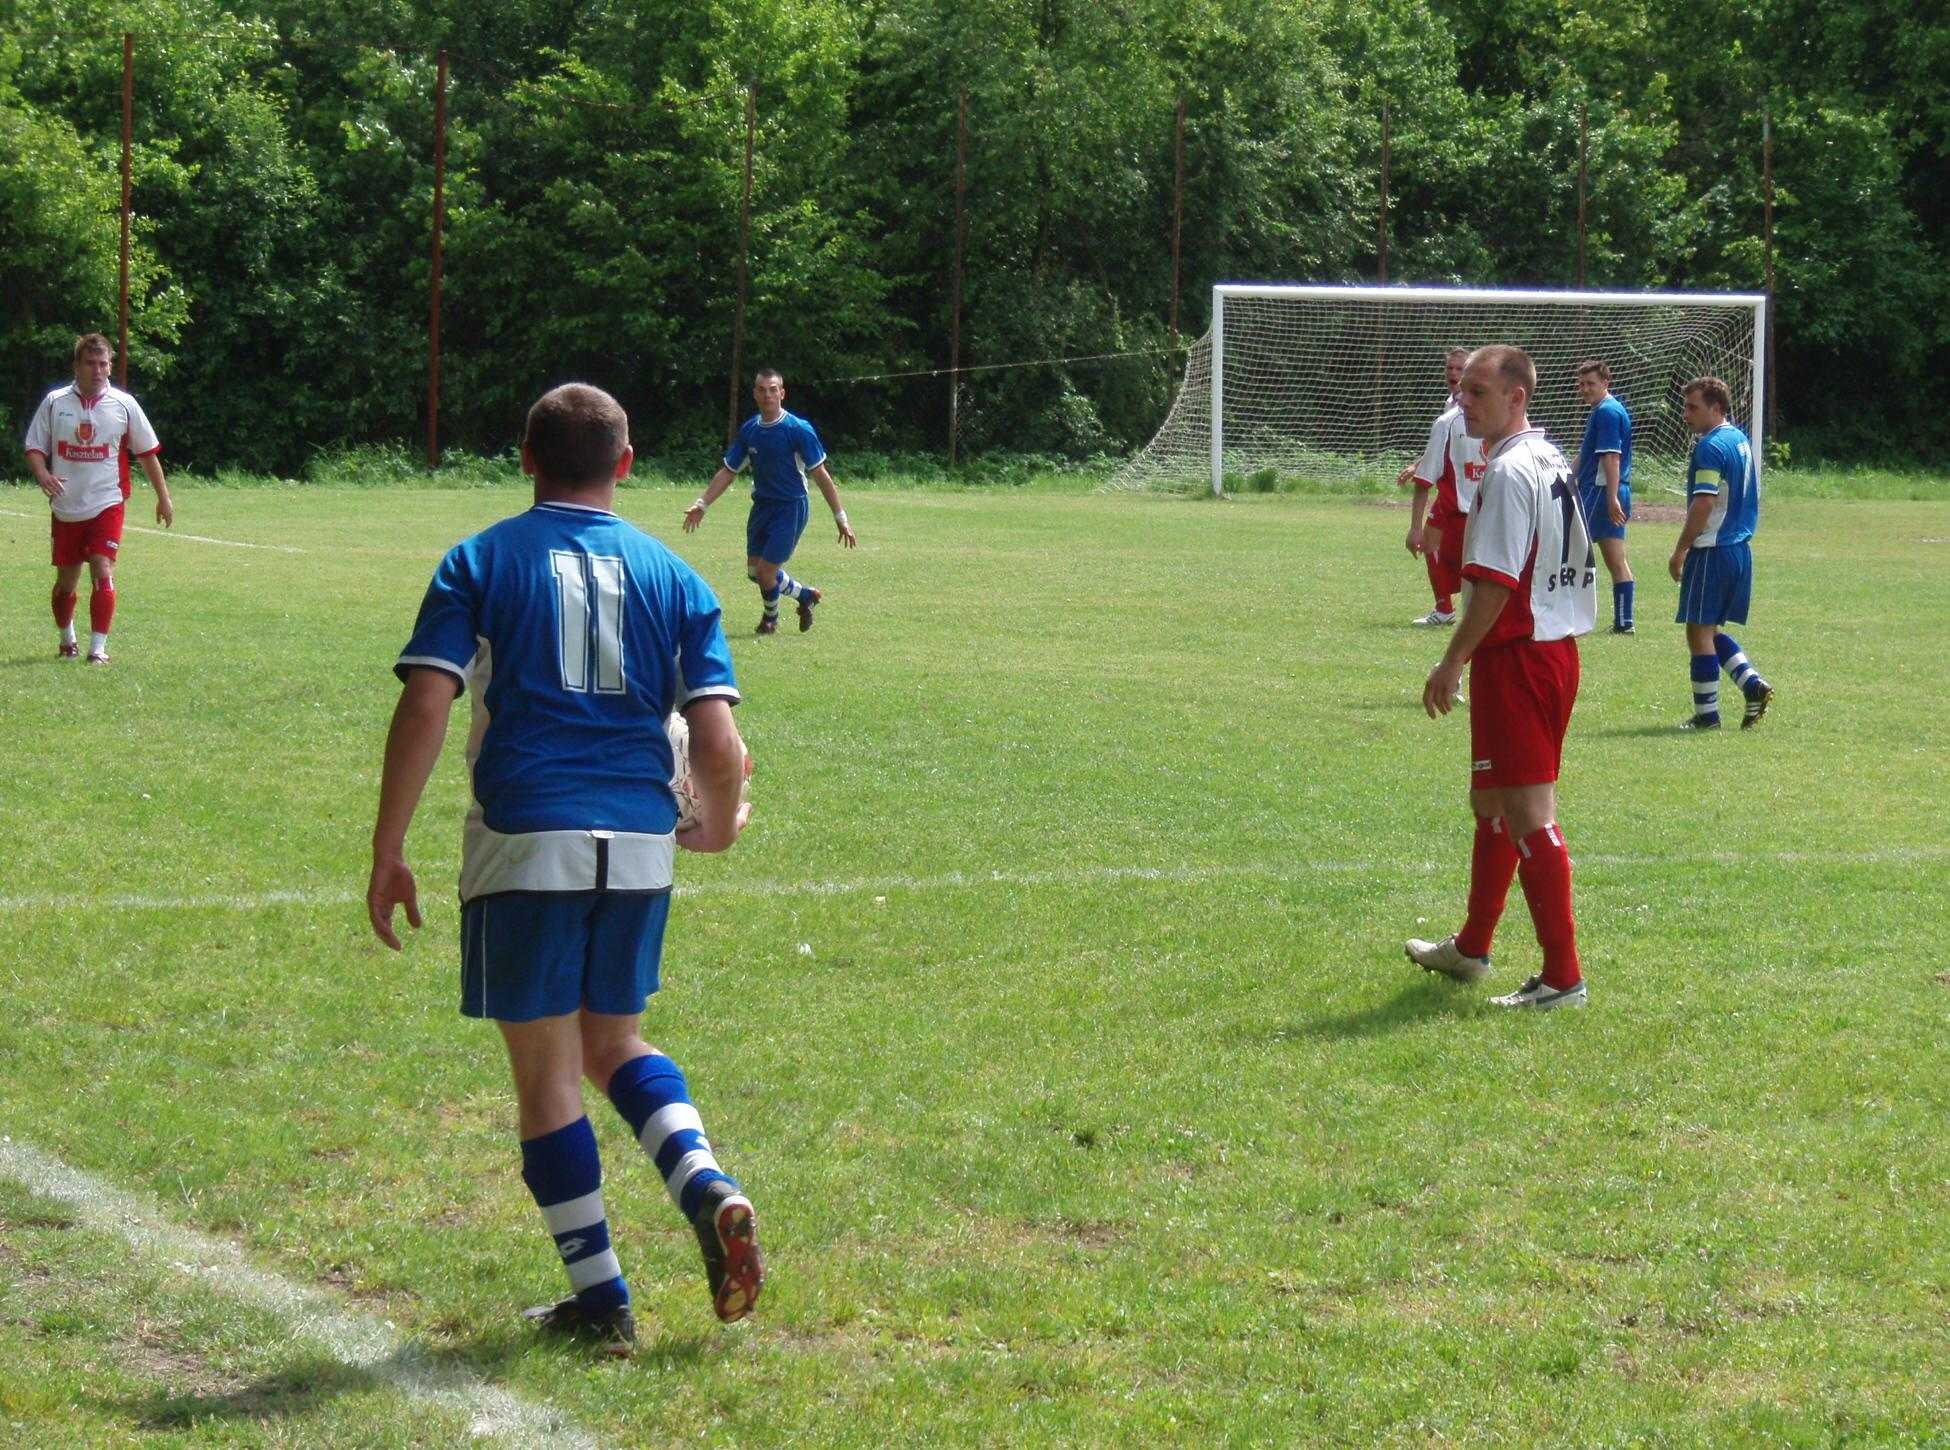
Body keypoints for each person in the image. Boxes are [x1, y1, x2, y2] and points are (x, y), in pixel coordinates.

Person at [368, 383, 763, 1357]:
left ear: (525, 457)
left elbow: (427, 703)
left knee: (548, 1074)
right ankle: (705, 1182)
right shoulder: (676, 577)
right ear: (625, 465)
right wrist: (711, 823)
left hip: (526, 836)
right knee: (614, 1042)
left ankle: (601, 1301)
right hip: (635, 842)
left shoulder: (481, 559)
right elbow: (717, 736)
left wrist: (388, 849)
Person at [1405, 345, 1595, 1009]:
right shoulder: (1546, 456)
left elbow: (1493, 583)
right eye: (1464, 391)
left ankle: (1563, 977)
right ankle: (1472, 946)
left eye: (1478, 391)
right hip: (1539, 649)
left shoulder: (1512, 470)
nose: (1464, 402)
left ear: (1518, 397)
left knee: (1528, 813)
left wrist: (1451, 659)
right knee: (1490, 803)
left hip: (1520, 653)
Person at [22, 332, 173, 663]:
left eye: (103, 363)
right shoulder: (55, 402)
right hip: (66, 506)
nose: (98, 370)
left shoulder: (124, 405)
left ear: (110, 366)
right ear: (76, 365)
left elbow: (147, 454)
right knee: (67, 582)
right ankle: (68, 640)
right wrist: (43, 474)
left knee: (102, 570)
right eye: (90, 363)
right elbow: (34, 447)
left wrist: (163, 497)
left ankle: (98, 650)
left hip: (107, 502)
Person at [685, 368, 856, 635]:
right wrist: (702, 504)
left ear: (782, 393)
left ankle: (770, 621)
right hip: (762, 507)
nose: (768, 395)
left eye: (773, 389)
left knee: (766, 572)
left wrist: (840, 518)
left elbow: (821, 475)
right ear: (755, 394)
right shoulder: (751, 430)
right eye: (762, 390)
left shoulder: (797, 429)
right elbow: (728, 471)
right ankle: (804, 595)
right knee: (755, 572)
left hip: (791, 507)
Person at [1669, 376, 1773, 730]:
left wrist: (1681, 549)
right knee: (1707, 630)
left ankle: (1707, 716)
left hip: (1712, 551)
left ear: (1716, 407)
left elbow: (1704, 502)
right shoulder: (1739, 440)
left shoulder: (1710, 447)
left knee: (1697, 633)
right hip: (1739, 551)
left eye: (1693, 407)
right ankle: (1751, 685)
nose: (1686, 414)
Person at [1397, 346, 1484, 626]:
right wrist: (1420, 464)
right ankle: (1446, 607)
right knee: (1441, 547)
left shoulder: (1475, 413)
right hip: (1459, 492)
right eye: (1450, 369)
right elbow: (1445, 444)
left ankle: (1449, 609)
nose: (1454, 374)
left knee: (1438, 545)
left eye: (1460, 369)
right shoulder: (1451, 410)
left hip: (1470, 496)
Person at [1573, 360, 1636, 633]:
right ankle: (1624, 622)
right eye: (1582, 384)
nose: (1585, 389)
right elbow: (1587, 455)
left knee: (1576, 553)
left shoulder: (1608, 412)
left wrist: (1611, 498)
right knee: (1611, 559)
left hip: (1601, 493)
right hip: (1601, 490)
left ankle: (1576, 616)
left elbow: (1611, 457)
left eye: (1591, 384)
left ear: (1605, 383)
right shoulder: (1603, 410)